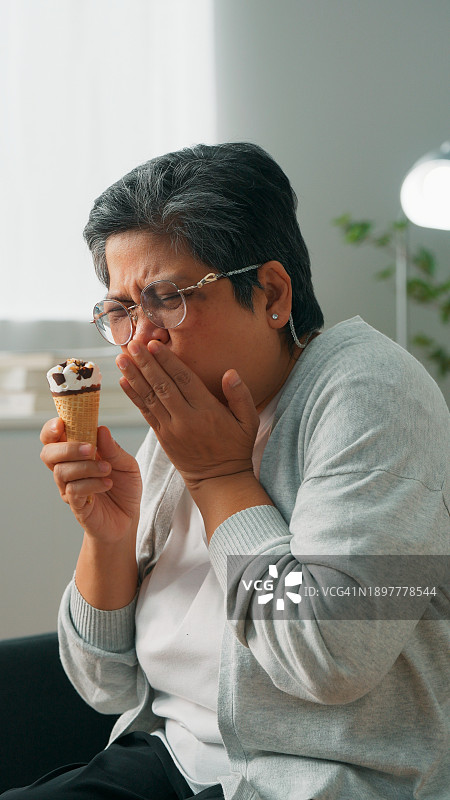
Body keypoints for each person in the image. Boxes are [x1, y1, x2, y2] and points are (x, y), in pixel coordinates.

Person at [7, 142, 449, 799]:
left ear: (271, 291)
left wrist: (219, 480)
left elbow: (331, 663)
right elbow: (103, 685)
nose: (139, 340)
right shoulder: (182, 418)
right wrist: (108, 536)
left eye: (165, 299)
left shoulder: (373, 393)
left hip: (325, 779)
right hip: (171, 761)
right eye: (121, 310)